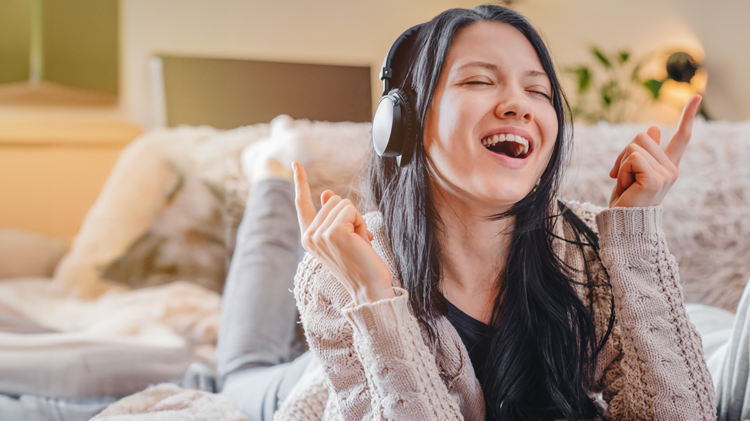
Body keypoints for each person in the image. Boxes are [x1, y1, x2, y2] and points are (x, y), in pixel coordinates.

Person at [216, 5, 721, 421]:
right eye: (480, 81)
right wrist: (373, 296)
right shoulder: (341, 277)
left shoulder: (588, 249)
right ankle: (271, 173)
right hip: (296, 389)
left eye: (539, 91)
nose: (519, 105)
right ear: (405, 121)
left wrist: (634, 234)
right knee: (239, 373)